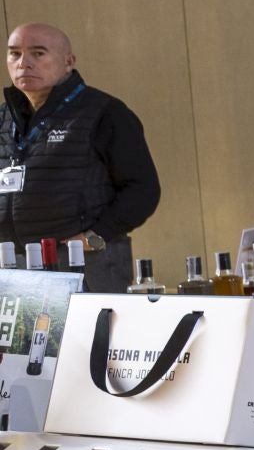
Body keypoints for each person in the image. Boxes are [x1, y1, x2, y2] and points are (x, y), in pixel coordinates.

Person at [1, 24, 160, 291]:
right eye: (14, 54)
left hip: (84, 260)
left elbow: (142, 190)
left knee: (89, 334)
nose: (23, 63)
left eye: (38, 53)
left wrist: (95, 237)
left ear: (68, 62)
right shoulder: (4, 118)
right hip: (14, 265)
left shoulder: (104, 112)